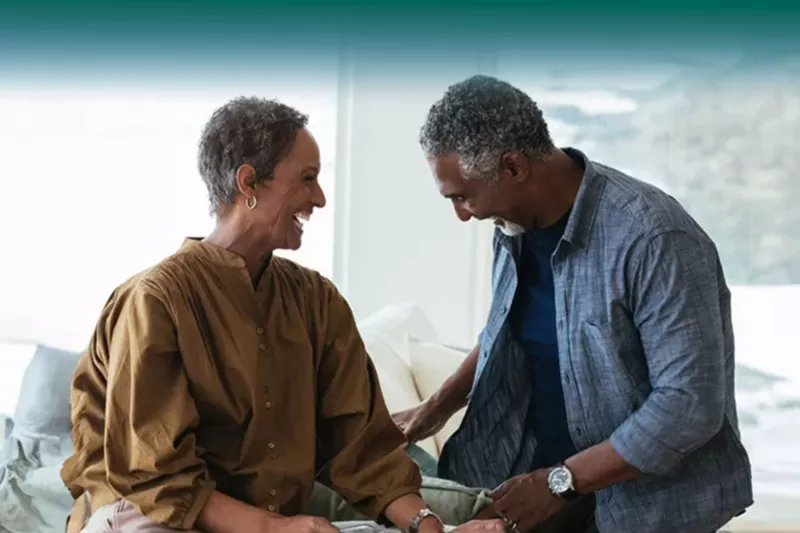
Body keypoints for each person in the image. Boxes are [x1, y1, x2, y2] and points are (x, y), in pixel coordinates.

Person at [60, 97, 504, 533]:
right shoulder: (155, 300)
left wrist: (429, 527)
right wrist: (274, 526)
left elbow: (362, 447)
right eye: (307, 178)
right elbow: (154, 476)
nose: (321, 198)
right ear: (249, 183)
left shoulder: (316, 300)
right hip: (148, 517)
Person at [393, 75, 754, 533]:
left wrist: (561, 482)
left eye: (462, 196)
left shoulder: (655, 237)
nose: (463, 214)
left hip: (640, 507)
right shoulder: (513, 227)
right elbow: (503, 333)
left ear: (514, 167)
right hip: (536, 485)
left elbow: (687, 405)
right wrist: (431, 411)